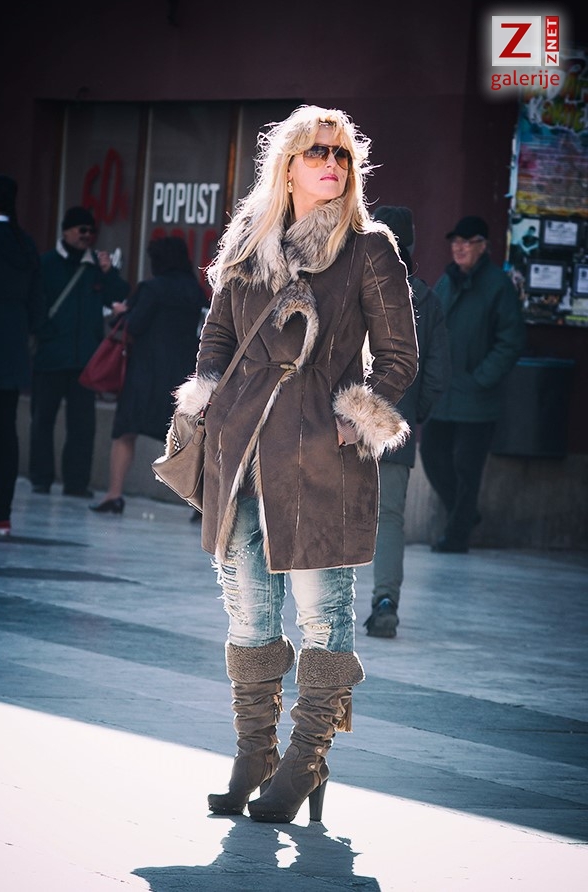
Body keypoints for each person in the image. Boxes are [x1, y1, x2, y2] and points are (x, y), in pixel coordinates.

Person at [172, 104, 418, 824]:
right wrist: (208, 400)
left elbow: (399, 357)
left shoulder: (369, 250)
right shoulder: (249, 243)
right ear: (288, 165)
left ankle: (308, 758)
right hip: (241, 452)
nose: (332, 165)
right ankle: (255, 753)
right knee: (250, 614)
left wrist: (355, 419)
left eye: (342, 155)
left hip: (319, 458)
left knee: (322, 615)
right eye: (318, 152)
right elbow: (217, 336)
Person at [364, 206, 450, 638]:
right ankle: (384, 601)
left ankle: (326, 607)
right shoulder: (426, 300)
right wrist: (413, 414)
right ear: (411, 245)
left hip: (343, 422)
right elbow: (437, 375)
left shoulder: (350, 287)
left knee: (333, 511)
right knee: (389, 518)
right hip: (395, 425)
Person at [420, 215, 526, 553]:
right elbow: (430, 328)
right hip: (444, 394)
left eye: (467, 242)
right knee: (432, 456)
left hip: (478, 398)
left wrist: (481, 378)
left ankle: (457, 536)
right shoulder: (447, 281)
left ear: (483, 246)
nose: (459, 247)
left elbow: (511, 340)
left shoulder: (498, 285)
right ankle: (466, 515)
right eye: (456, 241)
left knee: (467, 468)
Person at [90, 235, 208, 514]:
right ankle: (200, 505)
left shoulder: (151, 288)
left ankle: (114, 494)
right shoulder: (195, 291)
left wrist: (121, 312)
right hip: (183, 378)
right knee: (190, 440)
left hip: (145, 374)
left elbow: (134, 326)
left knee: (125, 433)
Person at [29, 206, 129, 498]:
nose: (87, 235)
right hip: (50, 358)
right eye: (81, 230)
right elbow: (33, 302)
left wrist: (109, 272)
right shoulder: (46, 263)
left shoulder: (97, 267)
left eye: (91, 231)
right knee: (42, 421)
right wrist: (44, 333)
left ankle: (76, 483)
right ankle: (41, 479)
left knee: (82, 426)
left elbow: (119, 295)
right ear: (66, 231)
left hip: (85, 362)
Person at [0, 175, 44, 535]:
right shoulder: (26, 245)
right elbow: (38, 305)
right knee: (6, 432)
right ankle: (1, 513)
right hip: (11, 350)